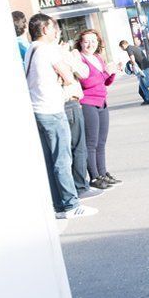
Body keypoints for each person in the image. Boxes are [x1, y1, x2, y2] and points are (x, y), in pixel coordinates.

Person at [24, 14, 97, 220]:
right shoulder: (48, 50)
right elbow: (67, 77)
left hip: (37, 109)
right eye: (53, 28)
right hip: (52, 109)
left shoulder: (31, 49)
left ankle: (59, 205)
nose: (56, 31)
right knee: (62, 159)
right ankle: (71, 204)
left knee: (50, 160)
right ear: (45, 29)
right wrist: (61, 77)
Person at [76, 29, 122, 189]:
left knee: (101, 142)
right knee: (91, 142)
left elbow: (105, 82)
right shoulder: (80, 59)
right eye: (87, 41)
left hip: (102, 102)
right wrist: (105, 74)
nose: (90, 44)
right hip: (88, 103)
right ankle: (94, 177)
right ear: (81, 43)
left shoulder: (97, 58)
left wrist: (112, 72)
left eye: (93, 41)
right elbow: (87, 82)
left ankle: (103, 173)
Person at [61, 41, 92, 198]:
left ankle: (76, 186)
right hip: (70, 103)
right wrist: (72, 56)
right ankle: (80, 186)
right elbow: (84, 72)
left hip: (60, 106)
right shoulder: (60, 53)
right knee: (78, 147)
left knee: (68, 148)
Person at [119, 39, 149, 105]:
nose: (122, 49)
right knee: (142, 85)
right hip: (143, 67)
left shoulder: (128, 49)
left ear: (123, 45)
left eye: (121, 48)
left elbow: (132, 59)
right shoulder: (133, 47)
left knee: (147, 84)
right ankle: (148, 100)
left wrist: (133, 68)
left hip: (145, 68)